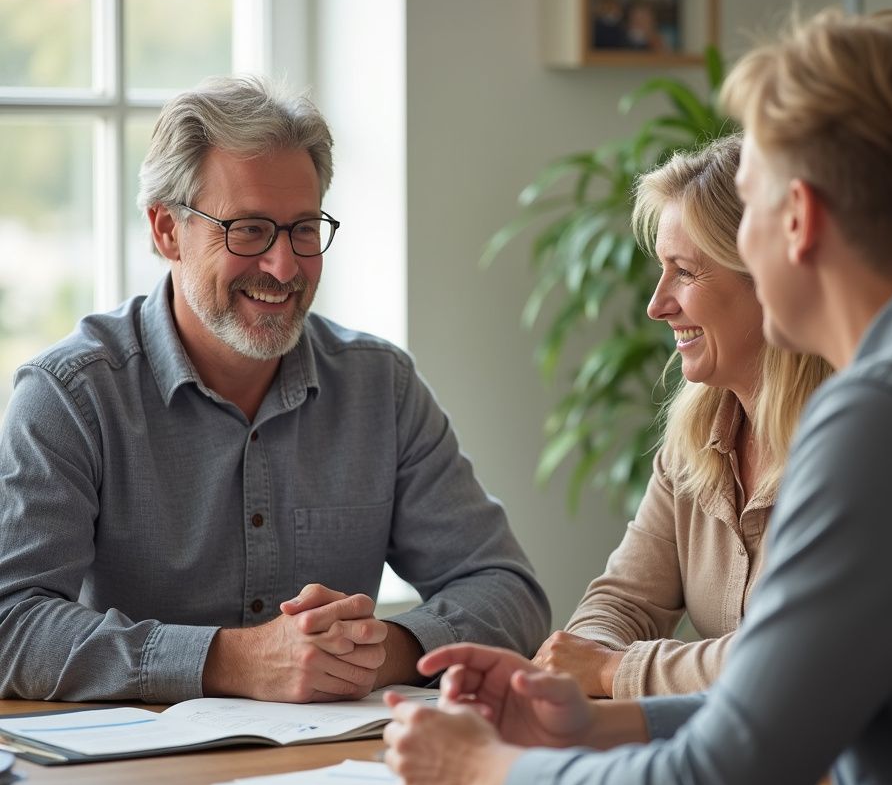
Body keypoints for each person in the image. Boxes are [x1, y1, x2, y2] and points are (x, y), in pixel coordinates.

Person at [383, 8, 892, 785]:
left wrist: (485, 773)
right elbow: (813, 707)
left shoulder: (889, 419)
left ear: (797, 221)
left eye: (753, 204)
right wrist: (594, 725)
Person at [0, 75, 549, 703]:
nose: (284, 267)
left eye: (304, 229)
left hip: (335, 771)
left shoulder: (381, 387)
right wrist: (233, 660)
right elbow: (10, 623)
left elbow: (509, 590)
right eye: (249, 230)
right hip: (136, 781)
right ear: (166, 231)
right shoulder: (71, 397)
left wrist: (375, 653)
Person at [532, 135, 831, 698]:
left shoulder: (853, 438)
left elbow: (794, 654)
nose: (657, 304)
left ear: (769, 280)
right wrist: (578, 660)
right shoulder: (698, 435)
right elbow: (623, 600)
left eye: (684, 272)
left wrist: (608, 671)